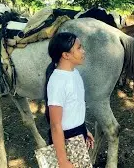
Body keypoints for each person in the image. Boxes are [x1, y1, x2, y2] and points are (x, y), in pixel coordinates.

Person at [44, 32, 94, 168]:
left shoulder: (74, 73)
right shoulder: (57, 82)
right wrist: (62, 161)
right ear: (65, 55)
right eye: (79, 48)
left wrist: (84, 130)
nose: (83, 51)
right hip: (66, 140)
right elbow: (55, 125)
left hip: (78, 134)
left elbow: (74, 109)